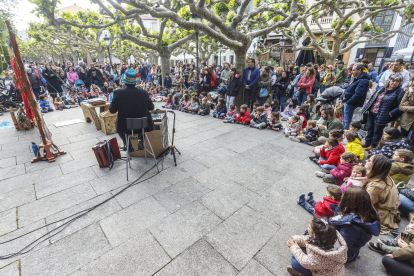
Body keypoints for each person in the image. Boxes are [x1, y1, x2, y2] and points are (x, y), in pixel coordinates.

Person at [329, 186, 381, 262]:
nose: (341, 196)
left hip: (343, 255)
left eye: (344, 195)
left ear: (350, 202)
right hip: (351, 245)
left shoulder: (351, 228)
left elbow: (340, 247)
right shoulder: (367, 209)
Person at [109, 68, 155, 152]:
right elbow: (151, 107)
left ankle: (129, 145)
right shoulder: (144, 92)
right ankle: (140, 139)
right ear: (136, 82)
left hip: (125, 127)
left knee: (118, 127)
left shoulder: (118, 93)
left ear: (124, 82)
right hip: (143, 126)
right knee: (143, 118)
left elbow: (112, 110)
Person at [364, 154, 401, 234]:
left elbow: (365, 204)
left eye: (369, 160)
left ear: (376, 166)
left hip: (381, 215)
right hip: (388, 211)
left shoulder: (376, 185)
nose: (366, 161)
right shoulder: (385, 176)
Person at [339, 64, 370, 129]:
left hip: (350, 103)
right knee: (344, 119)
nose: (351, 72)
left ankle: (346, 134)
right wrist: (341, 97)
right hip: (346, 100)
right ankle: (343, 132)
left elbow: (358, 94)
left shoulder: (363, 80)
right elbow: (347, 89)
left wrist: (349, 102)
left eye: (353, 70)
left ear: (359, 70)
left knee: (347, 120)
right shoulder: (355, 78)